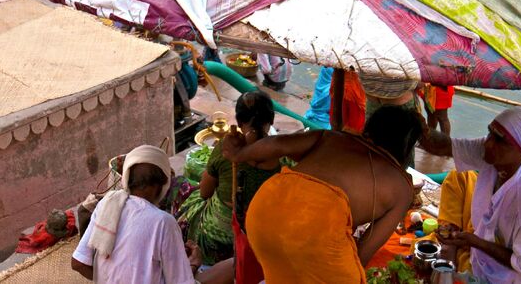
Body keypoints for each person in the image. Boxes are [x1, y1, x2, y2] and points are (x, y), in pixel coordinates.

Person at [221, 105, 423, 282]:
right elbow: (363, 252)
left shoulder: (331, 137)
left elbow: (277, 144)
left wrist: (239, 154)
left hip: (262, 213)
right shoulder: (402, 187)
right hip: (315, 235)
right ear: (406, 148)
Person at [419, 106, 521, 283]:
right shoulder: (493, 156)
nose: (488, 143)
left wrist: (475, 242)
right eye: (490, 133)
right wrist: (419, 128)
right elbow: (445, 146)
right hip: (485, 272)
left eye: (498, 139)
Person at [71, 145, 203, 283]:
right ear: (162, 185)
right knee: (223, 269)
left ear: (127, 180)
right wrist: (193, 264)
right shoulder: (164, 222)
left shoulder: (106, 204)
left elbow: (78, 263)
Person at [178, 91, 281, 266]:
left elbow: (204, 192)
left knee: (183, 188)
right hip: (261, 239)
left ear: (239, 122)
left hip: (218, 239)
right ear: (271, 119)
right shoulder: (284, 156)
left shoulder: (226, 149)